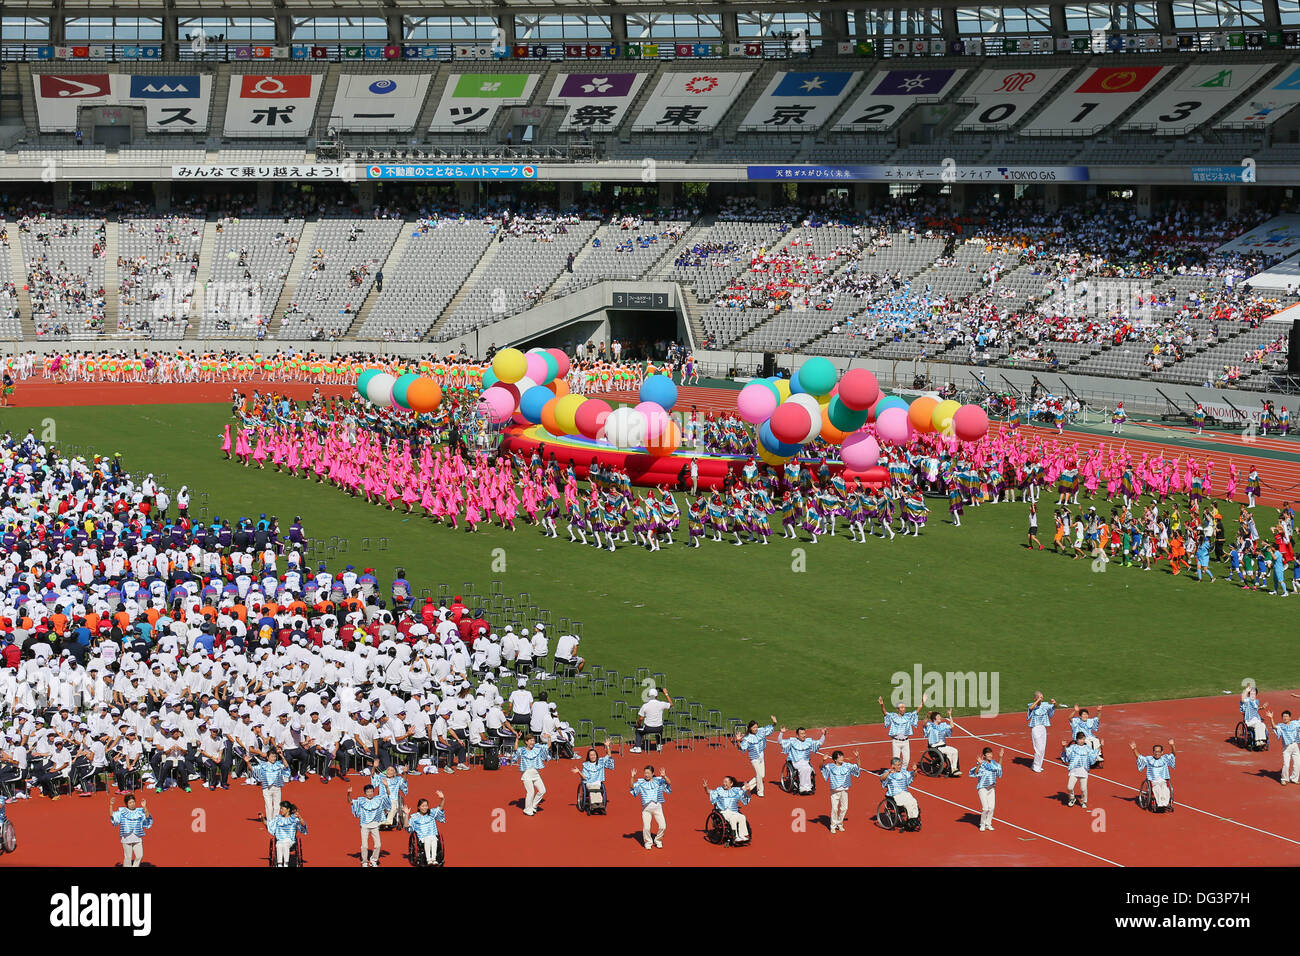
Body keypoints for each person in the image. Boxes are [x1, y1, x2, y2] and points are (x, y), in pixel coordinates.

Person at [818, 748, 863, 833]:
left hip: (844, 790)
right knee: (835, 809)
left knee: (844, 808)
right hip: (835, 791)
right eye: (840, 757)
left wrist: (858, 757)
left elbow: (858, 767)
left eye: (842, 756)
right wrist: (823, 760)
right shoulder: (830, 766)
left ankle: (840, 823)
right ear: (835, 759)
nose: (842, 758)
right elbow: (821, 767)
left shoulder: (847, 765)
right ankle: (833, 826)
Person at [347, 780, 390, 866]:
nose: (370, 793)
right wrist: (348, 794)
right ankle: (364, 862)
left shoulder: (378, 799)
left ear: (373, 792)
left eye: (371, 791)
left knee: (378, 845)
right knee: (365, 846)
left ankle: (374, 860)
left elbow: (388, 795)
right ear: (365, 793)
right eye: (368, 792)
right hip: (365, 826)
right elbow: (350, 802)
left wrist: (386, 786)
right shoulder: (361, 800)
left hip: (375, 825)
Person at [734, 714, 777, 797]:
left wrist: (774, 723)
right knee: (759, 775)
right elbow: (742, 748)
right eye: (754, 727)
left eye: (756, 727)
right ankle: (760, 792)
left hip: (761, 756)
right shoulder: (747, 738)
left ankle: (744, 788)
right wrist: (738, 741)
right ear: (750, 728)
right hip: (754, 758)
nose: (755, 729)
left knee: (762, 775)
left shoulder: (761, 731)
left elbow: (769, 728)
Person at [630, 765, 671, 849]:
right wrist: (632, 777)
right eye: (645, 773)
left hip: (658, 808)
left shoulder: (658, 781)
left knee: (663, 826)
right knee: (646, 827)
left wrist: (664, 776)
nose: (646, 775)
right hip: (646, 810)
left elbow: (669, 783)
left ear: (652, 773)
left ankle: (658, 840)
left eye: (648, 773)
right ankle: (648, 842)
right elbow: (632, 787)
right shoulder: (641, 782)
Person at [878, 694, 925, 767]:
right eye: (901, 707)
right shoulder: (893, 716)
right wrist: (882, 704)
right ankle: (897, 775)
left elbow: (917, 711)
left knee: (906, 760)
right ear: (897, 709)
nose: (903, 709)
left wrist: (923, 702)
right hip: (896, 742)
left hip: (906, 742)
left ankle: (903, 774)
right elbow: (885, 713)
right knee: (896, 760)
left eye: (904, 707)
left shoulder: (908, 716)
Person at [704, 776, 753, 843]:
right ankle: (735, 836)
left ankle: (742, 836)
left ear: (731, 783)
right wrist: (705, 787)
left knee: (742, 817)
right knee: (733, 818)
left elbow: (745, 796)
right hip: (723, 812)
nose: (724, 783)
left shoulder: (736, 790)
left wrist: (748, 790)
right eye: (724, 782)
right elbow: (709, 792)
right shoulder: (719, 790)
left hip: (734, 811)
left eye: (726, 782)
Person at [109, 792, 153, 867]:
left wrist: (145, 807)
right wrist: (111, 805)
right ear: (127, 804)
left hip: (137, 837)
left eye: (133, 802)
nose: (132, 804)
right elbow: (112, 815)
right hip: (126, 838)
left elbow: (147, 817)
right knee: (128, 858)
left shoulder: (139, 811)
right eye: (130, 802)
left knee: (139, 855)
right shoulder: (122, 812)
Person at [778, 726, 826, 794]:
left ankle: (808, 788)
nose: (804, 735)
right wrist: (781, 733)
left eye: (804, 733)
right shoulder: (792, 741)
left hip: (806, 762)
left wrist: (823, 734)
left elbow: (820, 742)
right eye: (802, 734)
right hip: (795, 761)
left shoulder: (808, 741)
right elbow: (780, 741)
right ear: (797, 735)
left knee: (808, 768)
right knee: (803, 769)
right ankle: (802, 788)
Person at [1131, 739, 1176, 811]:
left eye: (1159, 751)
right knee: (1157, 788)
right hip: (1153, 781)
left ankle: (1166, 803)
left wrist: (1172, 745)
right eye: (1155, 751)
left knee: (1165, 789)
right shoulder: (1149, 759)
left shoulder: (1165, 759)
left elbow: (1173, 754)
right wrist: (1134, 749)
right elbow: (1139, 757)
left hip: (1163, 780)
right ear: (1153, 752)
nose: (1157, 753)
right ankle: (1160, 804)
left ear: (1162, 752)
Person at [1061, 731, 1101, 809]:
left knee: (1083, 788)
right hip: (1074, 770)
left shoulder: (1087, 748)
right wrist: (1063, 747)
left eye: (1083, 739)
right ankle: (1072, 798)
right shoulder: (1073, 747)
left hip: (1083, 770)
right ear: (1077, 740)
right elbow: (1067, 752)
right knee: (1069, 787)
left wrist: (1100, 746)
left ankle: (1084, 801)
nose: (1082, 741)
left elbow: (1094, 753)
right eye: (1080, 739)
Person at [968, 747, 1004, 831]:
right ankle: (982, 824)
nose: (990, 755)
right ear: (984, 756)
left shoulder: (994, 763)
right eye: (988, 754)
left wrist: (1001, 757)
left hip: (991, 788)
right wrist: (979, 764)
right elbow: (975, 773)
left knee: (991, 807)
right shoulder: (982, 763)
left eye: (991, 753)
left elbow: (999, 768)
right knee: (985, 808)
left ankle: (988, 824)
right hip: (983, 788)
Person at [251, 748, 292, 822]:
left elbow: (286, 766)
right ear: (267, 757)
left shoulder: (278, 764)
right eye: (272, 756)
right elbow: (253, 769)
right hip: (267, 789)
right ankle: (270, 822)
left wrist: (282, 756)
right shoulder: (263, 765)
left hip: (277, 788)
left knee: (277, 807)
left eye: (275, 757)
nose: (274, 758)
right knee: (269, 807)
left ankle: (275, 821)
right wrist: (247, 762)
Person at [405, 793, 446, 864]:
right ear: (419, 807)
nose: (425, 808)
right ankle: (428, 859)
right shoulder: (414, 817)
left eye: (426, 806)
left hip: (432, 835)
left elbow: (440, 808)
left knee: (433, 839)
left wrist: (442, 799)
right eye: (423, 806)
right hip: (422, 837)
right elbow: (407, 826)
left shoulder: (431, 813)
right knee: (427, 839)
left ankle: (434, 859)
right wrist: (406, 814)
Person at [572, 739, 614, 810]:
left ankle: (599, 803)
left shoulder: (600, 762)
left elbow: (609, 756)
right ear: (589, 756)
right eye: (591, 755)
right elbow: (585, 777)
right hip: (589, 783)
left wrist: (607, 746)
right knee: (592, 789)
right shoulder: (586, 765)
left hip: (597, 782)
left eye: (594, 755)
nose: (593, 756)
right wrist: (579, 771)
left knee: (597, 789)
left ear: (596, 755)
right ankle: (595, 803)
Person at [516, 733, 550, 816]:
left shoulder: (537, 748)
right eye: (531, 740)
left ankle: (533, 805)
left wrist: (549, 738)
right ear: (526, 742)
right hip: (527, 775)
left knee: (542, 790)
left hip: (535, 774)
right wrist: (517, 739)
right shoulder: (522, 750)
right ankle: (527, 809)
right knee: (531, 792)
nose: (533, 742)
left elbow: (548, 746)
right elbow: (516, 748)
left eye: (533, 740)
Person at [879, 757, 919, 826]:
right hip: (895, 795)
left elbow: (913, 775)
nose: (900, 766)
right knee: (908, 804)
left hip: (905, 793)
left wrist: (915, 770)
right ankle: (911, 820)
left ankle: (914, 818)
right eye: (898, 765)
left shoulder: (904, 772)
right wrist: (889, 772)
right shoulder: (888, 772)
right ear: (893, 765)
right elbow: (881, 778)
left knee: (914, 801)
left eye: (900, 765)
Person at [1265, 708, 1300, 785]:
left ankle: (1294, 779)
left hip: (1295, 745)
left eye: (1287, 716)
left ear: (1290, 717)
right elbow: (1274, 727)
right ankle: (1284, 779)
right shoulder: (1281, 726)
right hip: (1286, 747)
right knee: (1286, 764)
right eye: (1284, 716)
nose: (1285, 718)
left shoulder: (1295, 723)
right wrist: (1271, 718)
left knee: (1297, 764)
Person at [632, 686, 672, 753]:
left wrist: (638, 725)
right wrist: (666, 694)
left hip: (648, 728)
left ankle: (638, 747)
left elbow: (641, 718)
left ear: (649, 696)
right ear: (657, 696)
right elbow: (671, 704)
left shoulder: (645, 705)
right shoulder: (661, 704)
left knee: (638, 731)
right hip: (659, 728)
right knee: (659, 728)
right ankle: (659, 745)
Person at [267, 802, 307, 867]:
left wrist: (299, 817)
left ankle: (286, 864)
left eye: (282, 808)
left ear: (288, 809)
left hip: (290, 840)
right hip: (280, 840)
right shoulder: (278, 818)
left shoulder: (294, 819)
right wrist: (262, 818)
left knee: (285, 845)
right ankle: (279, 864)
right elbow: (269, 824)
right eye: (280, 809)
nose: (281, 810)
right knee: (278, 845)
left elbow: (303, 825)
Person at [923, 708, 960, 777]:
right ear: (934, 718)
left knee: (955, 751)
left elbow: (952, 726)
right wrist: (928, 716)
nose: (940, 718)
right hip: (935, 747)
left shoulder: (943, 725)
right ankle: (952, 769)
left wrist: (950, 715)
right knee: (949, 753)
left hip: (943, 746)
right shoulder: (930, 726)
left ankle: (954, 768)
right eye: (938, 716)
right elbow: (924, 723)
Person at [1027, 691, 1057, 772]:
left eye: (1041, 696)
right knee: (1038, 748)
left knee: (1042, 748)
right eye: (1039, 696)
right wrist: (1037, 701)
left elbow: (1053, 708)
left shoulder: (1045, 705)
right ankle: (1036, 766)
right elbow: (1030, 709)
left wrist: (1054, 703)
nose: (1041, 698)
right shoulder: (1031, 705)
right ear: (1035, 698)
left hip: (1043, 727)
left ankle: (1038, 765)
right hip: (1035, 728)